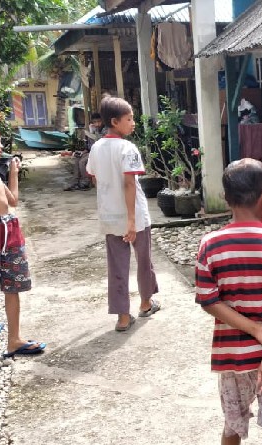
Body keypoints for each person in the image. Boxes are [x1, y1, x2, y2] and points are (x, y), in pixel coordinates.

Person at [195, 159, 262, 445]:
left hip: (231, 355)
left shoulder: (210, 244)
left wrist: (252, 328)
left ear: (225, 199)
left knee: (232, 426)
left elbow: (208, 300)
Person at [86, 96, 160, 332]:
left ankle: (122, 317)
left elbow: (95, 178)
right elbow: (129, 184)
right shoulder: (128, 148)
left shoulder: (96, 147)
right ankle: (146, 303)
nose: (133, 122)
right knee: (143, 260)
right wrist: (130, 220)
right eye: (129, 119)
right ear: (115, 121)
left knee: (117, 266)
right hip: (134, 216)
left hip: (109, 216)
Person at [0, 121, 45, 357]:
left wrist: (13, 173)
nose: (1, 145)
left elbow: (13, 201)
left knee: (12, 285)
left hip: (7, 231)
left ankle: (14, 339)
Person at [65, 113, 103, 191]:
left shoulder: (105, 129)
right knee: (77, 159)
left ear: (102, 121)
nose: (97, 124)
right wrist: (83, 151)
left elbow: (100, 141)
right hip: (91, 152)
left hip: (100, 152)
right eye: (95, 122)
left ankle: (86, 182)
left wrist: (91, 133)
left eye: (99, 121)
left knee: (82, 162)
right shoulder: (92, 129)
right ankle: (75, 182)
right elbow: (88, 145)